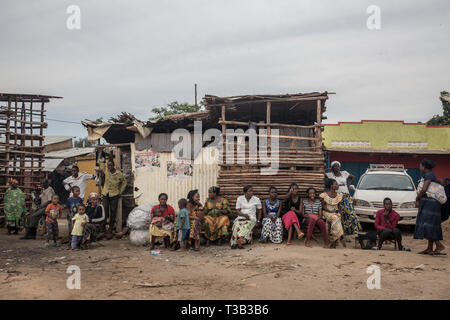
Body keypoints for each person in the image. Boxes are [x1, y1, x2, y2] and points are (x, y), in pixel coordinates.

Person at [414, 159, 445, 255]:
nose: (419, 167)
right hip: (429, 203)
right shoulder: (429, 175)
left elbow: (424, 189)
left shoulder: (429, 175)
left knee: (427, 225)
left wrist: (417, 198)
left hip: (431, 204)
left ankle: (439, 245)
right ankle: (429, 248)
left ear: (424, 167)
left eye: (420, 166)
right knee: (429, 224)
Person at [326, 161, 361, 236]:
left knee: (351, 213)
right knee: (341, 214)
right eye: (335, 166)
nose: (337, 168)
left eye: (338, 166)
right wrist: (327, 169)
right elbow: (321, 175)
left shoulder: (344, 173)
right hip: (337, 196)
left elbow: (353, 177)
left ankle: (354, 230)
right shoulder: (330, 174)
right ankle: (343, 232)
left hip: (346, 195)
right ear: (332, 167)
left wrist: (348, 185)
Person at [97, 151, 127, 234]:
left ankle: (110, 227)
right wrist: (100, 151)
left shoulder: (118, 173)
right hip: (106, 194)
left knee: (113, 211)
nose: (109, 167)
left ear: (113, 165)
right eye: (108, 165)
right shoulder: (106, 171)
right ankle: (103, 228)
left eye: (110, 165)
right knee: (105, 211)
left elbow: (124, 182)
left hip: (115, 194)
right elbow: (100, 162)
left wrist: (120, 191)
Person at [320, 179, 346, 248]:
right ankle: (339, 236)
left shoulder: (339, 195)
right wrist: (330, 211)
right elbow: (323, 206)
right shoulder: (324, 195)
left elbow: (339, 207)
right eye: (336, 184)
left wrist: (341, 215)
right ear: (331, 186)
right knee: (335, 217)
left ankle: (334, 240)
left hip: (336, 213)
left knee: (336, 217)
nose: (337, 185)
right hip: (326, 212)